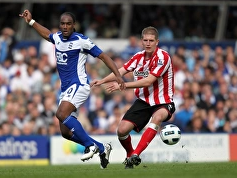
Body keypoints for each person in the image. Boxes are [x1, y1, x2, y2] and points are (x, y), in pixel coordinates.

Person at [19, 9, 125, 168]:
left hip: (80, 85)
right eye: (62, 23)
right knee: (66, 132)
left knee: (61, 114)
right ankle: (102, 147)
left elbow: (103, 56)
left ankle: (90, 145)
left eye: (68, 23)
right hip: (67, 89)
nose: (65, 26)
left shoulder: (82, 40)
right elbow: (47, 34)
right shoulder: (58, 38)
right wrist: (31, 22)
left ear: (74, 25)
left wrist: (117, 75)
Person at [91, 26, 176, 169]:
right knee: (122, 131)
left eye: (151, 40)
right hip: (143, 101)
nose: (148, 43)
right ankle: (130, 154)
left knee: (157, 118)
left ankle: (136, 154)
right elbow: (120, 72)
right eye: (145, 40)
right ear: (141, 42)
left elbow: (149, 81)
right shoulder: (138, 57)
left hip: (163, 101)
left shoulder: (163, 57)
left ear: (157, 42)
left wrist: (122, 86)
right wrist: (102, 81)